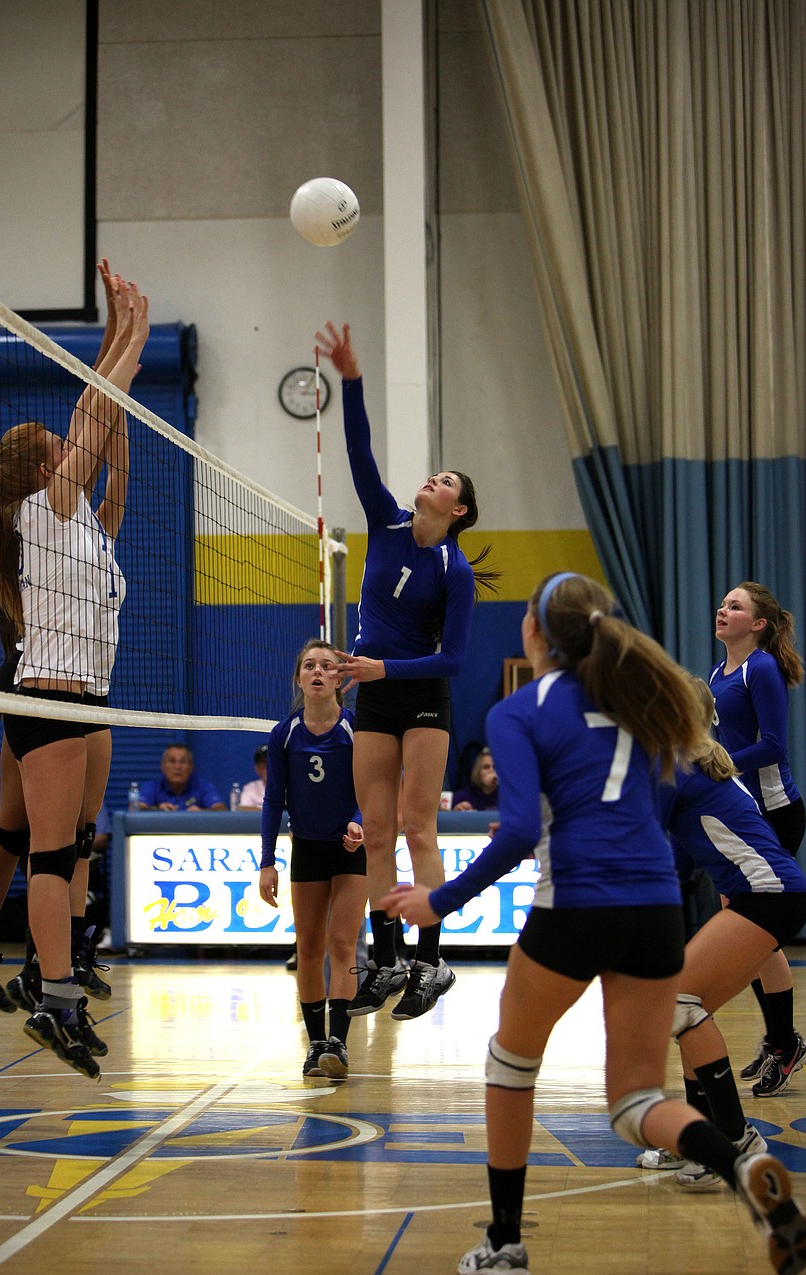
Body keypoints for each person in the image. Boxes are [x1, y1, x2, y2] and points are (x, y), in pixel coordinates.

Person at [381, 572, 806, 1275]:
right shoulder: (649, 707)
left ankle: (506, 1241)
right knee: (637, 1097)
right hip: (653, 911)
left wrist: (440, 901)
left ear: (534, 633)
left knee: (510, 1064)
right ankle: (737, 1161)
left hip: (574, 904)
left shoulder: (520, 711)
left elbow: (519, 832)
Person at [0, 277, 149, 1079]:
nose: (74, 451)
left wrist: (116, 357)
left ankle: (54, 985)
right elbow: (93, 414)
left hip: (80, 699)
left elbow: (107, 434)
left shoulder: (82, 528)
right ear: (46, 469)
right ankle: (56, 993)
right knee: (48, 850)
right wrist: (129, 336)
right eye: (61, 449)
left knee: (63, 848)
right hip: (47, 699)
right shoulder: (43, 512)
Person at [315, 320, 495, 1022]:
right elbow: (358, 450)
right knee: (378, 831)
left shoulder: (455, 573)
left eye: (445, 481)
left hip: (420, 698)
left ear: (459, 509)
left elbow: (452, 659)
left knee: (421, 828)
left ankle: (430, 960)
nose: (433, 479)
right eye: (434, 473)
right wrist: (352, 377)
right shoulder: (385, 523)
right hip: (379, 696)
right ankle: (385, 959)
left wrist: (381, 667)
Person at [637, 678, 806, 1187]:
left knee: (678, 1003)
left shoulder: (676, 766)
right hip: (768, 894)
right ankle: (700, 1137)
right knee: (688, 1007)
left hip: (768, 895)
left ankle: (730, 1140)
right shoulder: (694, 759)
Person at [710, 581, 806, 1090]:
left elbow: (772, 746)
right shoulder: (716, 672)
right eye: (724, 604)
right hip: (745, 815)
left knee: (753, 932)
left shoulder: (761, 667)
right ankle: (779, 1039)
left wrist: (717, 764)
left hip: (775, 813)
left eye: (736, 606)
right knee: (741, 927)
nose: (723, 611)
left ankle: (784, 1042)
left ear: (759, 624)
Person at [258, 639, 367, 1081]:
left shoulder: (354, 729)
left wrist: (360, 823)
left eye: (327, 665)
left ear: (339, 679)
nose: (318, 671)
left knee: (343, 944)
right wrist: (268, 861)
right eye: (309, 666)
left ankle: (338, 1042)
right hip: (305, 847)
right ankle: (315, 1044)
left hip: (347, 849)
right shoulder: (284, 734)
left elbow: (372, 787)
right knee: (309, 948)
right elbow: (272, 802)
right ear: (299, 679)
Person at [138, 744, 226, 811]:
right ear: (163, 766)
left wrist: (201, 813)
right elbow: (137, 808)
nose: (177, 767)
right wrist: (158, 810)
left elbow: (221, 809)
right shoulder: (152, 786)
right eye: (172, 761)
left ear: (191, 767)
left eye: (183, 762)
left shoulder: (203, 786)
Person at [452, 747, 499, 811]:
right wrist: (456, 812)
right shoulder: (463, 796)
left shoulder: (507, 797)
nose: (492, 771)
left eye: (495, 767)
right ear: (478, 772)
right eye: (486, 767)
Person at [238, 744, 267, 809]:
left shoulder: (291, 787)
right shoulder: (251, 788)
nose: (267, 768)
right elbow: (243, 809)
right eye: (263, 764)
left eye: (272, 763)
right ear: (257, 768)